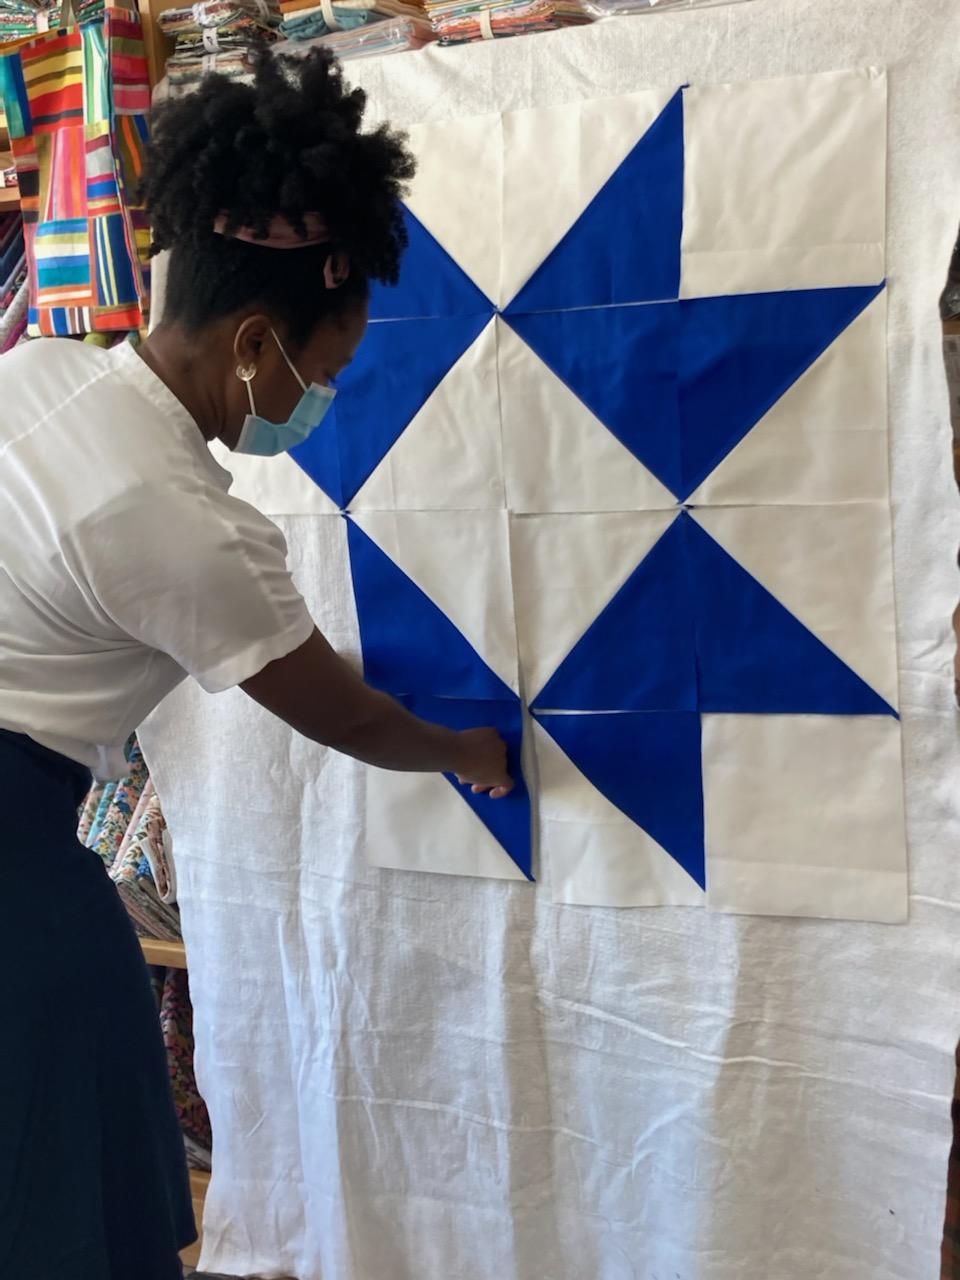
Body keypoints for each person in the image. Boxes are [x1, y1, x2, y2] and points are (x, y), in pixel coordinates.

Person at [0, 49, 512, 1280]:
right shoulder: (182, 515)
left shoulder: (37, 370)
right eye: (322, 368)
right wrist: (467, 751)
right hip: (13, 877)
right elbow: (344, 714)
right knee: (73, 1203)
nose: (318, 394)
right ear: (251, 343)